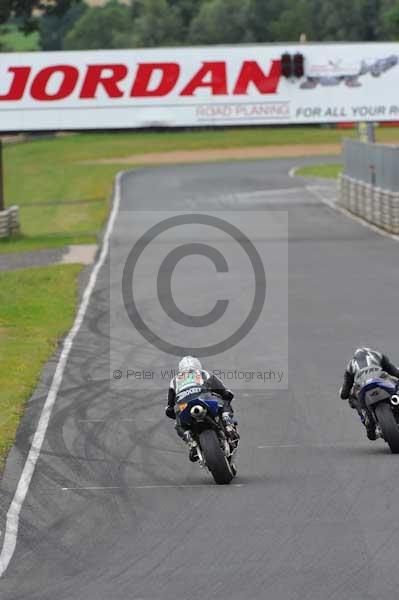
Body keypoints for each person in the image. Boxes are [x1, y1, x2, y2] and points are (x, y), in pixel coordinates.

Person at [165, 356, 236, 461]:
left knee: (178, 424)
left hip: (184, 406)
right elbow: (221, 389)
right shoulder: (203, 373)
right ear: (198, 365)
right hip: (204, 399)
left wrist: (171, 411)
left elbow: (170, 406)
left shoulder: (174, 380)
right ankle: (227, 422)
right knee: (223, 402)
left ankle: (190, 441)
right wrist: (226, 394)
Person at [340, 347, 399, 440]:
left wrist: (344, 393)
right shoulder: (377, 355)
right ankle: (395, 399)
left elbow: (344, 393)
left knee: (351, 398)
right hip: (381, 381)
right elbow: (394, 371)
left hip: (364, 388)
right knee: (395, 382)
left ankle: (366, 417)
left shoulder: (350, 365)